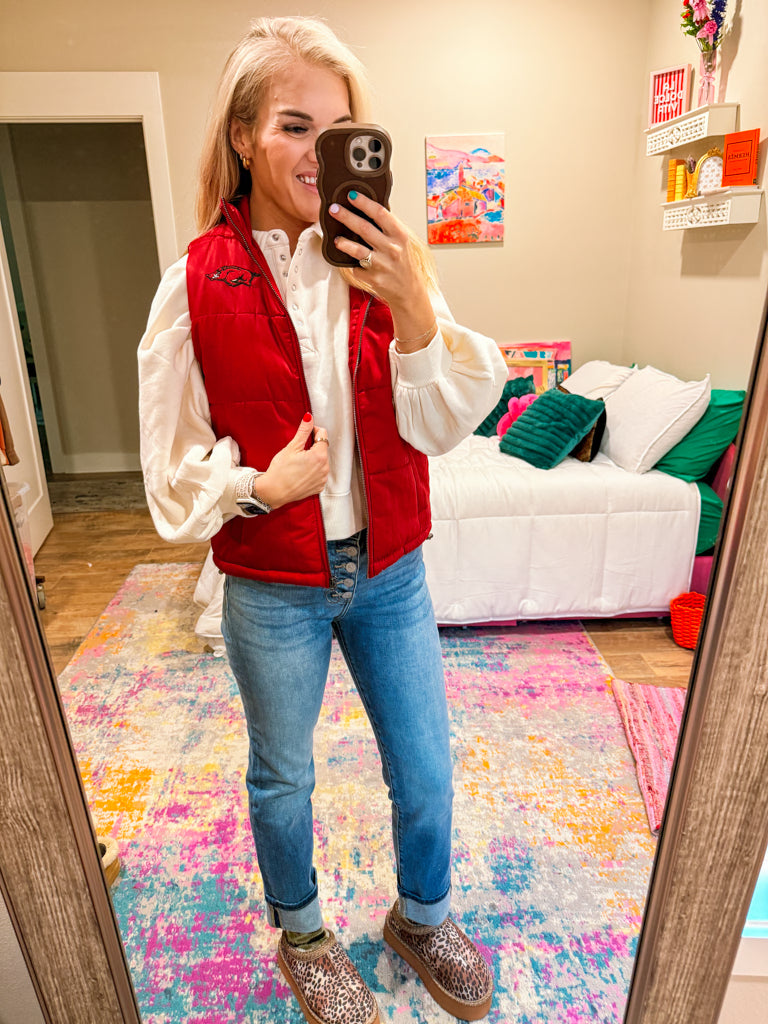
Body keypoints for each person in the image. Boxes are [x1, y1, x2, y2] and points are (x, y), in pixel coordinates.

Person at [138, 16, 507, 1024]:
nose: (317, 153)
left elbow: (440, 423)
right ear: (244, 136)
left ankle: (422, 915)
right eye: (294, 126)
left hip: (390, 570)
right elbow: (169, 476)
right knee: (283, 778)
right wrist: (262, 485)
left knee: (425, 768)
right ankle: (303, 934)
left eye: (338, 131)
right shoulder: (193, 281)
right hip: (271, 584)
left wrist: (413, 301)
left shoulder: (386, 260)